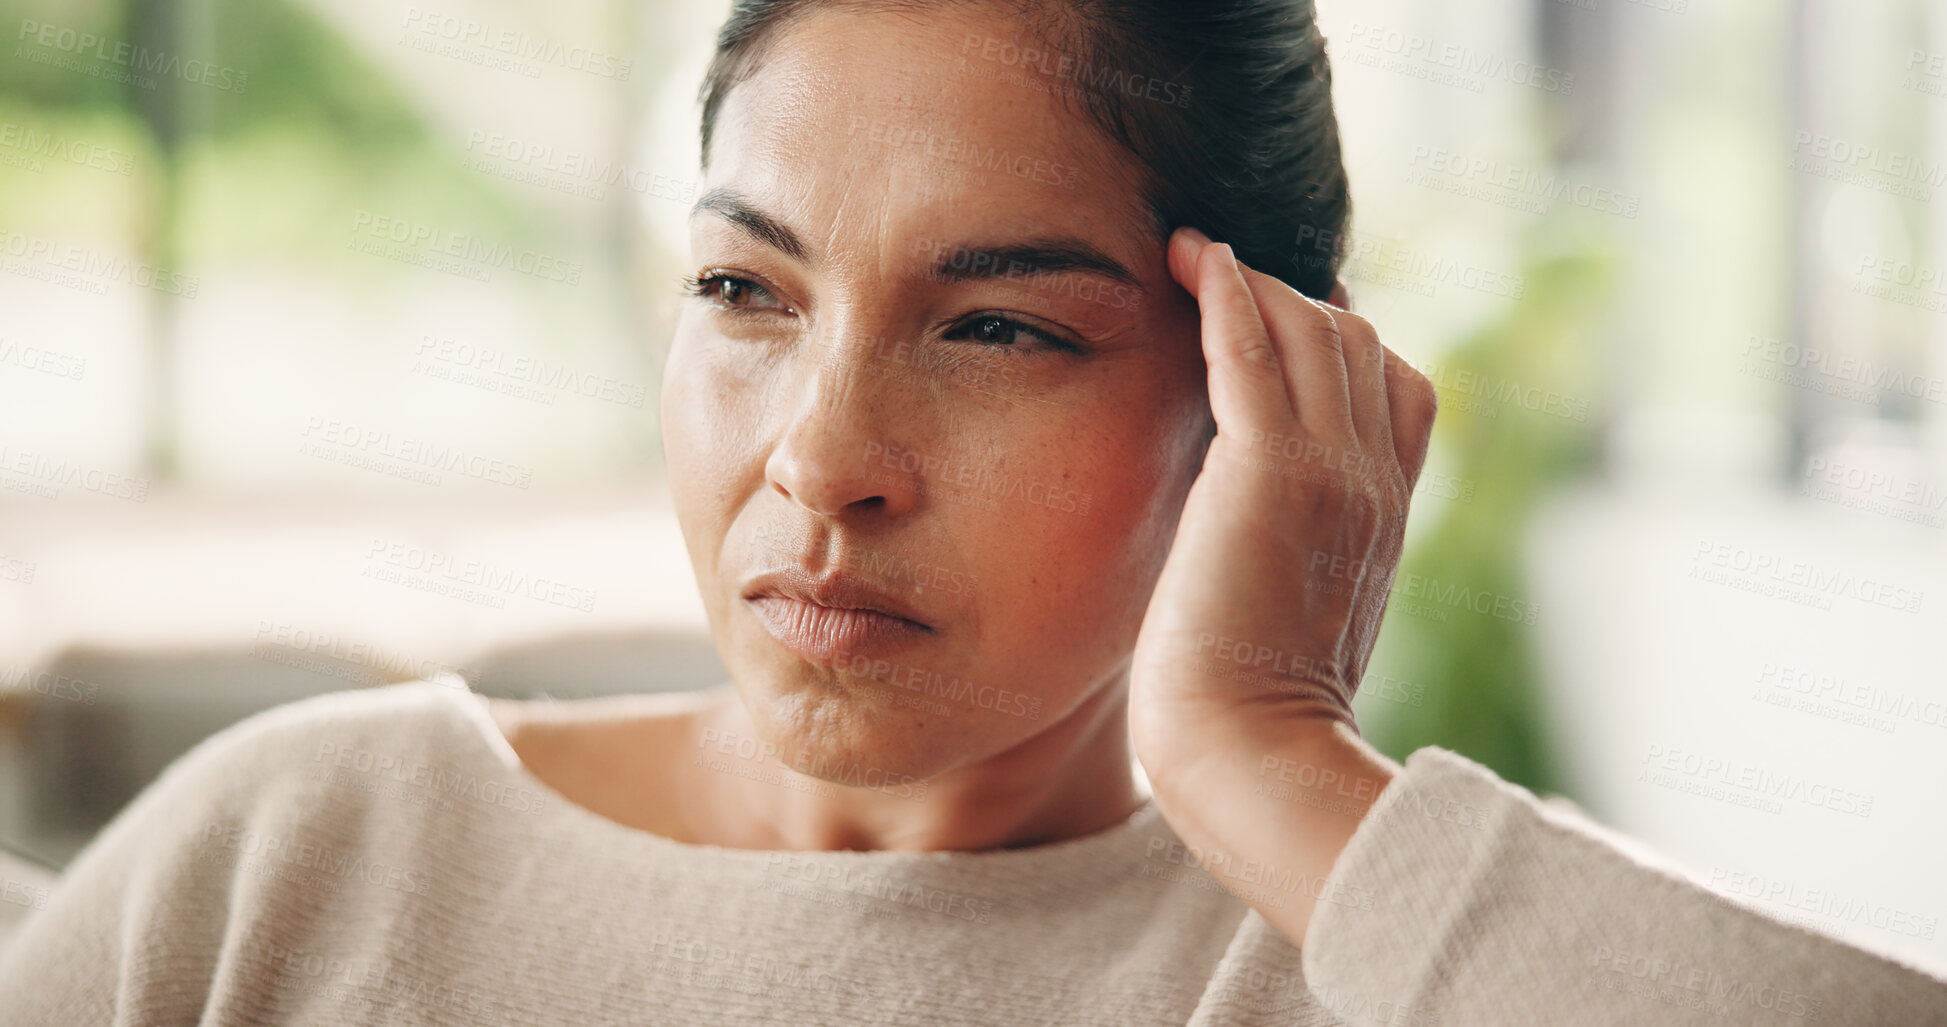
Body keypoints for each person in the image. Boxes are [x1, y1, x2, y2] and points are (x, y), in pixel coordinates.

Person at [4, 0, 1944, 1023]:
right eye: (744, 292)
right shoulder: (306, 856)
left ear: (1263, 393)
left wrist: (1264, 758)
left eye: (998, 323)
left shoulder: (1374, 960)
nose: (820, 453)